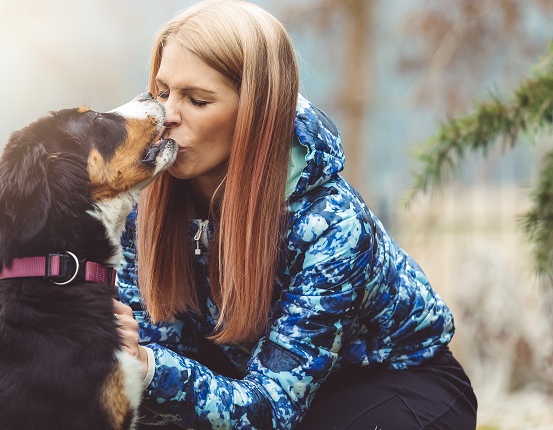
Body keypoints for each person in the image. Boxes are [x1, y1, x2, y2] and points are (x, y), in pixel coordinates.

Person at [112, 1, 478, 428]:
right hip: (247, 382)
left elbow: (271, 408)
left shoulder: (333, 224)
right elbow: (159, 371)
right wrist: (128, 353)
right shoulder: (143, 202)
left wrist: (150, 367)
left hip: (390, 383)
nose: (167, 116)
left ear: (255, 112)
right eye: (162, 92)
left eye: (197, 100)